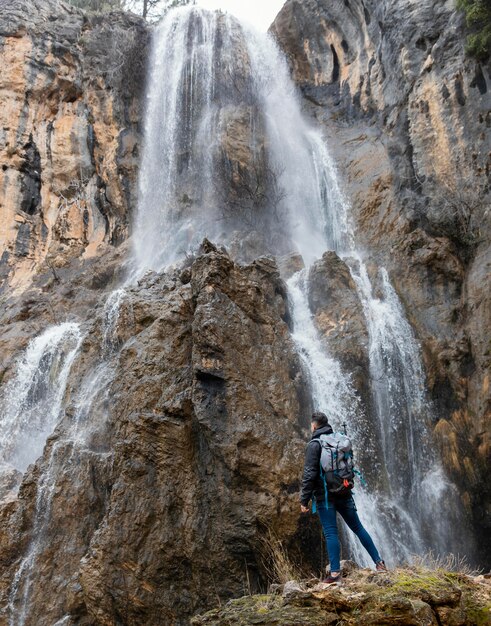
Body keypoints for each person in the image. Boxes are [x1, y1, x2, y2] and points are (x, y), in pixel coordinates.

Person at [300, 411, 386, 584]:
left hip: (325, 495)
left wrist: (304, 499)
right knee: (358, 527)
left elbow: (309, 474)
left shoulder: (315, 444)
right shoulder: (339, 440)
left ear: (314, 425)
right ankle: (379, 563)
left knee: (331, 533)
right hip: (344, 490)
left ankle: (334, 574)